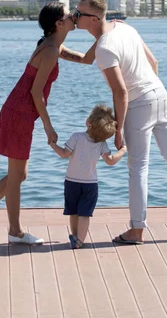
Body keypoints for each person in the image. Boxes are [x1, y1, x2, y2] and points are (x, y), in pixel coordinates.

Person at [69, 0, 167, 244]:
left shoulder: (105, 47)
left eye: (78, 14)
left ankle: (136, 230)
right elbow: (153, 62)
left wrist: (118, 129)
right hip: (160, 94)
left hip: (139, 103)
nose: (74, 16)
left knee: (138, 167)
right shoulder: (124, 28)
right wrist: (57, 50)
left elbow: (121, 92)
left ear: (93, 19)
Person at [0, 2, 75, 244]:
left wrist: (101, 33)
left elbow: (86, 59)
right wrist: (49, 126)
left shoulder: (53, 45)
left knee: (19, 175)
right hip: (19, 114)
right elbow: (37, 93)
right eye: (70, 15)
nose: (73, 16)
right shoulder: (50, 51)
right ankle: (15, 232)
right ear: (58, 23)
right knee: (16, 176)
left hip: (20, 112)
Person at [49, 104, 127, 248]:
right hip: (90, 184)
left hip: (71, 182)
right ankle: (80, 240)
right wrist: (122, 151)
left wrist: (53, 144)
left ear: (88, 123)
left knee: (73, 212)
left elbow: (64, 154)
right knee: (84, 214)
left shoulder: (77, 137)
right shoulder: (102, 144)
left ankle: (75, 236)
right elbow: (110, 161)